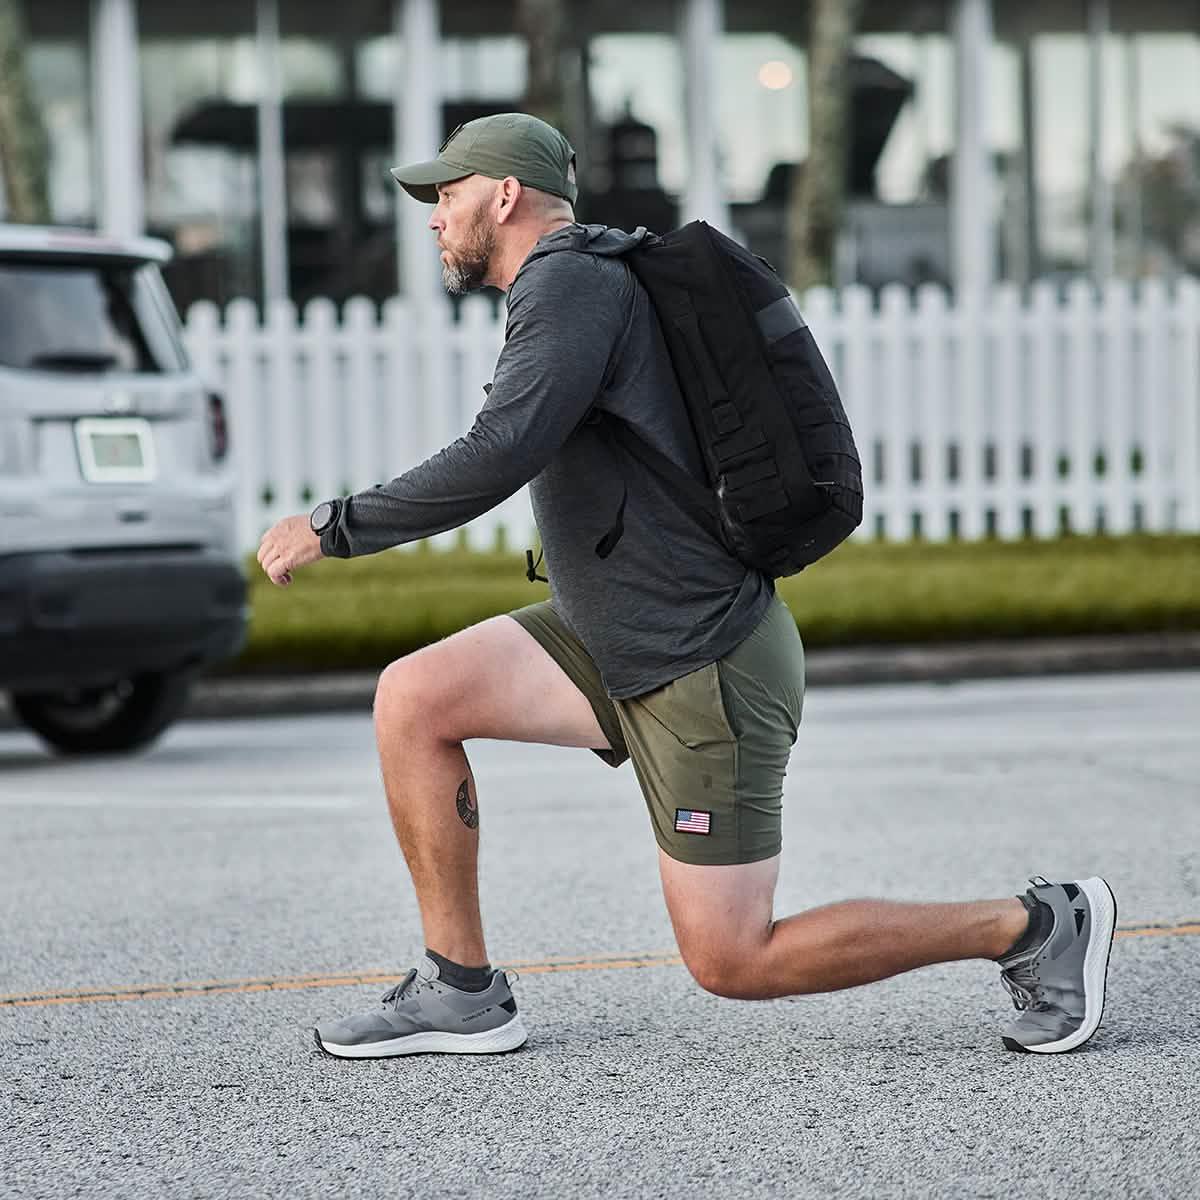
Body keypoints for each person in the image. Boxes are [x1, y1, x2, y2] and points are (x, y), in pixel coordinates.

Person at [255, 113, 1116, 1060]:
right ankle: (459, 990)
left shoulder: (571, 284)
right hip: (613, 631)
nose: (434, 219)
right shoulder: (579, 280)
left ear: (504, 197)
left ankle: (1035, 928)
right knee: (414, 698)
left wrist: (334, 527)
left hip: (700, 662)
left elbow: (500, 452)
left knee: (733, 958)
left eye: (447, 195)